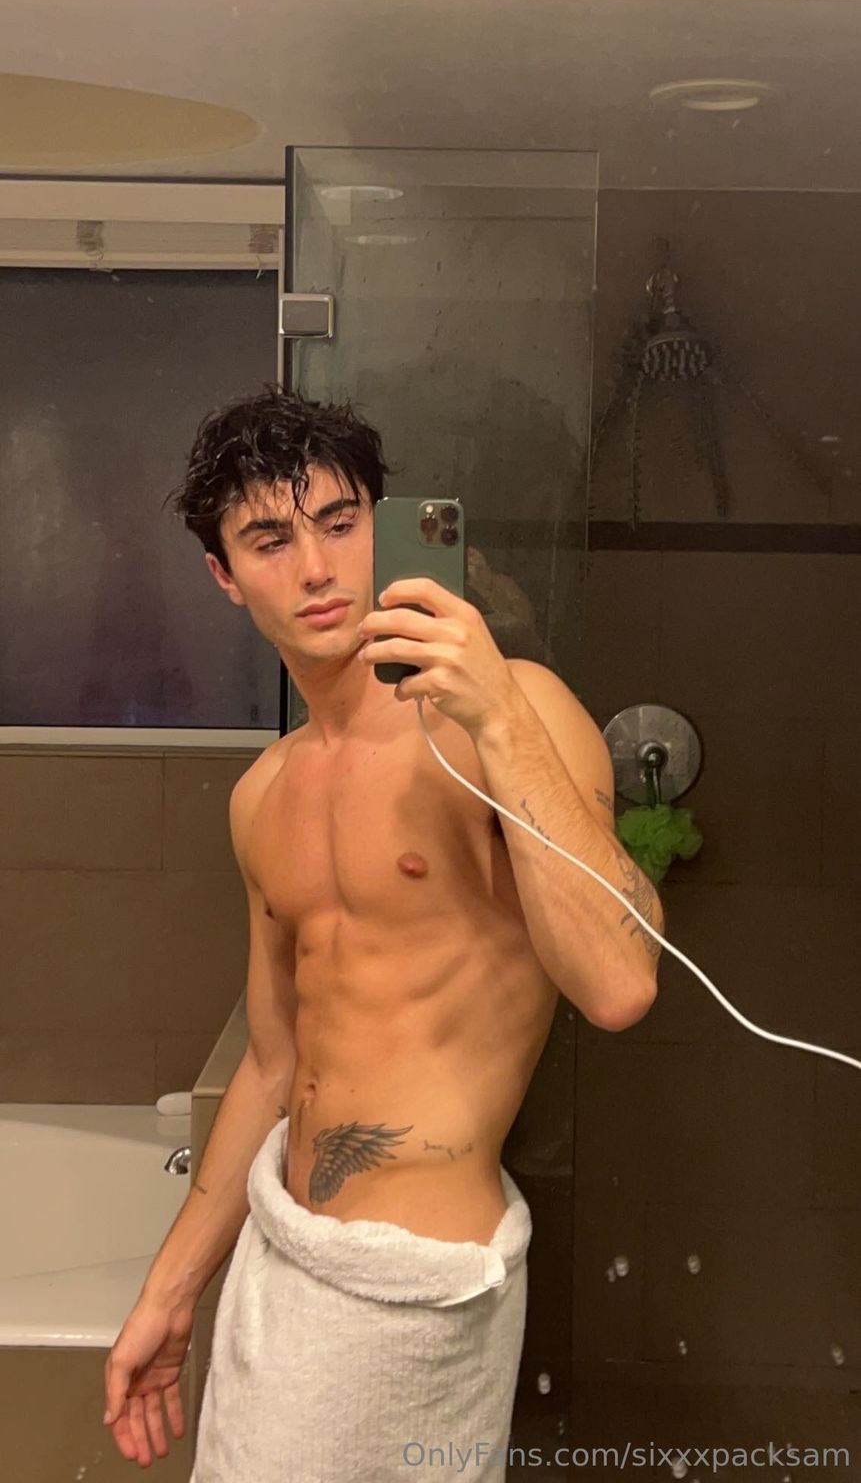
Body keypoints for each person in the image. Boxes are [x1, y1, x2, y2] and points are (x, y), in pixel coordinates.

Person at [103, 386, 663, 1479]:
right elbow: (274, 1064)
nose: (317, 568)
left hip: (416, 1296)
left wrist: (496, 712)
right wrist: (169, 1296)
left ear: (384, 522)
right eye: (271, 539)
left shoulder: (513, 711)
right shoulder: (263, 794)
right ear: (225, 576)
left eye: (340, 522)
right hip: (283, 1261)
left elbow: (619, 982)